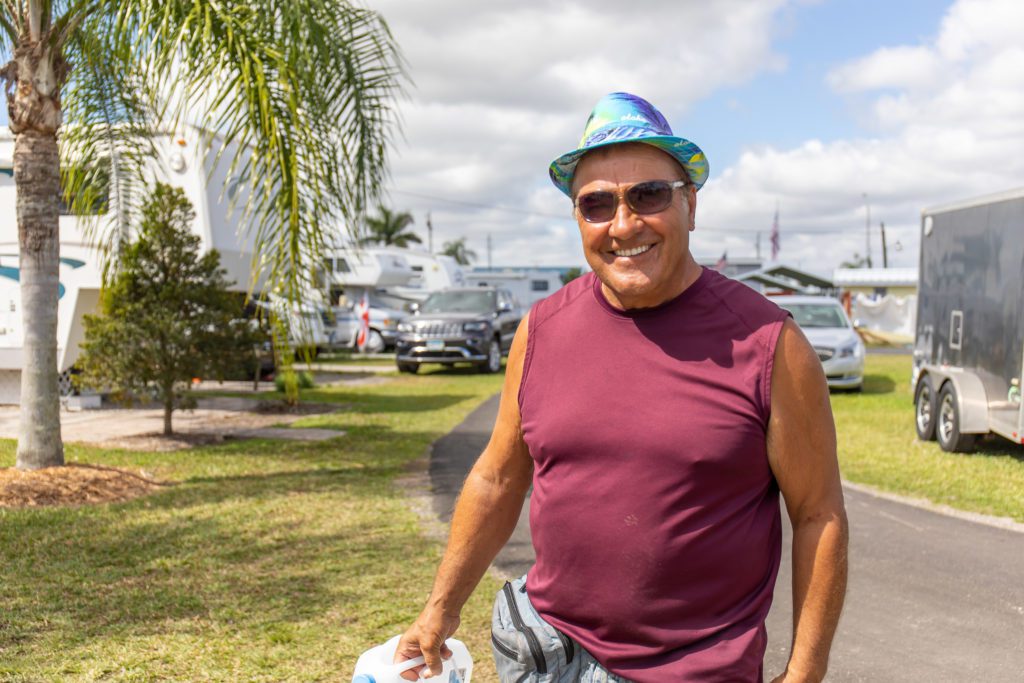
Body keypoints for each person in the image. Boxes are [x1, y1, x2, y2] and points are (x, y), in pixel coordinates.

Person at [396, 92, 848, 682]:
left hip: (692, 670)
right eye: (597, 204)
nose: (624, 224)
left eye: (649, 195)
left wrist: (805, 674)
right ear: (578, 219)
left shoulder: (770, 345)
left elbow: (818, 515)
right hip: (547, 653)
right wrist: (441, 607)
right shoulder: (540, 330)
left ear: (690, 204)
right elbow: (499, 476)